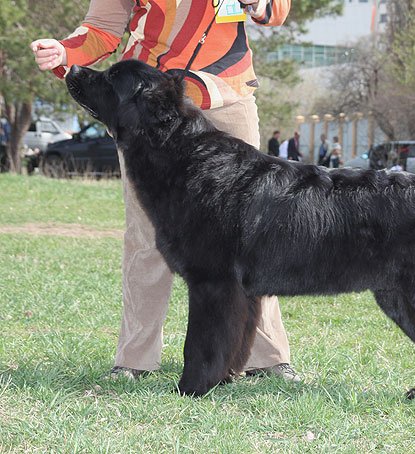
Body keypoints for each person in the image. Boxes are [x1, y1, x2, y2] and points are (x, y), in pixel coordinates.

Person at [30, 0, 299, 382]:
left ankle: (266, 357)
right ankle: (134, 359)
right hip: (146, 105)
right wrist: (65, 51)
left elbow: (276, 10)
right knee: (147, 236)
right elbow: (102, 28)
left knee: (246, 237)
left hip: (227, 96)